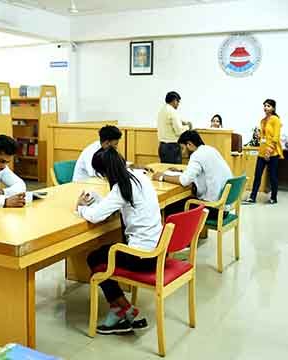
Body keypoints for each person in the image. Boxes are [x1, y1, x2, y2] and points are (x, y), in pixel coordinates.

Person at [77, 147, 162, 335]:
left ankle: (120, 308)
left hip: (141, 258)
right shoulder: (138, 177)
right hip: (155, 250)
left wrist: (81, 207)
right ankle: (125, 309)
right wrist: (100, 200)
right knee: (103, 252)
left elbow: (94, 216)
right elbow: (117, 202)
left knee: (95, 258)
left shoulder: (122, 187)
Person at [152, 130, 232, 220]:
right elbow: (203, 172)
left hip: (213, 208)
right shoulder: (210, 149)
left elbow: (184, 181)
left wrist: (162, 176)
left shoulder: (196, 155)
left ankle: (177, 234)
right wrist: (182, 171)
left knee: (169, 206)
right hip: (224, 206)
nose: (182, 153)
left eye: (182, 148)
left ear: (189, 145)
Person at [244, 99, 284, 205]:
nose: (266, 108)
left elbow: (275, 137)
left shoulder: (276, 120)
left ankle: (273, 197)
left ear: (273, 108)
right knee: (257, 175)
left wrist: (269, 150)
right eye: (265, 106)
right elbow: (263, 137)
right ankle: (252, 197)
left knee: (272, 176)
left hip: (272, 153)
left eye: (269, 106)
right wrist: (258, 136)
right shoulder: (262, 120)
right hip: (261, 152)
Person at [157, 91, 192, 164]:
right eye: (178, 102)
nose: (178, 104)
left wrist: (181, 122)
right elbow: (179, 131)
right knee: (174, 171)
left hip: (162, 146)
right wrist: (188, 126)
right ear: (174, 101)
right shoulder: (173, 111)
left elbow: (169, 122)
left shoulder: (162, 110)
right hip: (172, 147)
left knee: (165, 169)